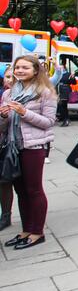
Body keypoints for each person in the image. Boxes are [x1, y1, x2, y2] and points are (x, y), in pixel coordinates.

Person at [0, 55, 56, 249]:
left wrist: (24, 113)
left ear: (35, 70)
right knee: (21, 190)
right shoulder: (8, 94)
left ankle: (37, 232)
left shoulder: (45, 92)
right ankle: (26, 230)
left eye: (25, 67)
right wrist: (2, 115)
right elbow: (3, 126)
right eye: (17, 68)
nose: (20, 71)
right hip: (12, 147)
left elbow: (49, 122)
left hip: (33, 147)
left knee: (34, 189)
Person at [0, 66, 14, 231]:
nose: (10, 79)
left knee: (7, 181)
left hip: (13, 144)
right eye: (7, 77)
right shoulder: (4, 95)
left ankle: (6, 215)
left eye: (12, 77)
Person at [56, 58, 76, 127]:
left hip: (65, 90)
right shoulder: (57, 74)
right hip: (60, 90)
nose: (61, 69)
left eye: (62, 67)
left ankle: (66, 120)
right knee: (62, 106)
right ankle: (65, 119)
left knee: (63, 105)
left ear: (64, 68)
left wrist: (73, 77)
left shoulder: (68, 74)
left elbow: (74, 83)